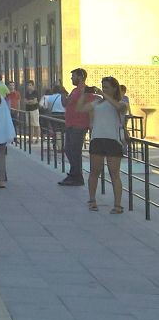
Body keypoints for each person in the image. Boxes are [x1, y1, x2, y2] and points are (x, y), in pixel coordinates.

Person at [75, 77, 129, 213]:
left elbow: (118, 107)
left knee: (114, 174)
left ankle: (118, 205)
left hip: (113, 141)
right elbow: (79, 108)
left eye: (106, 87)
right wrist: (83, 94)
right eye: (102, 87)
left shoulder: (122, 103)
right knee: (94, 172)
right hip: (97, 139)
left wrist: (103, 94)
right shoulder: (97, 102)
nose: (103, 89)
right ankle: (92, 200)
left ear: (114, 88)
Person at [60, 69, 90, 187]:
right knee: (69, 149)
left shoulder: (85, 90)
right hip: (71, 125)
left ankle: (76, 176)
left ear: (80, 77)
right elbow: (66, 103)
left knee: (74, 151)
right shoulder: (75, 90)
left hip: (79, 125)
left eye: (73, 76)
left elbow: (90, 106)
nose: (71, 78)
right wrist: (63, 93)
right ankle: (74, 174)